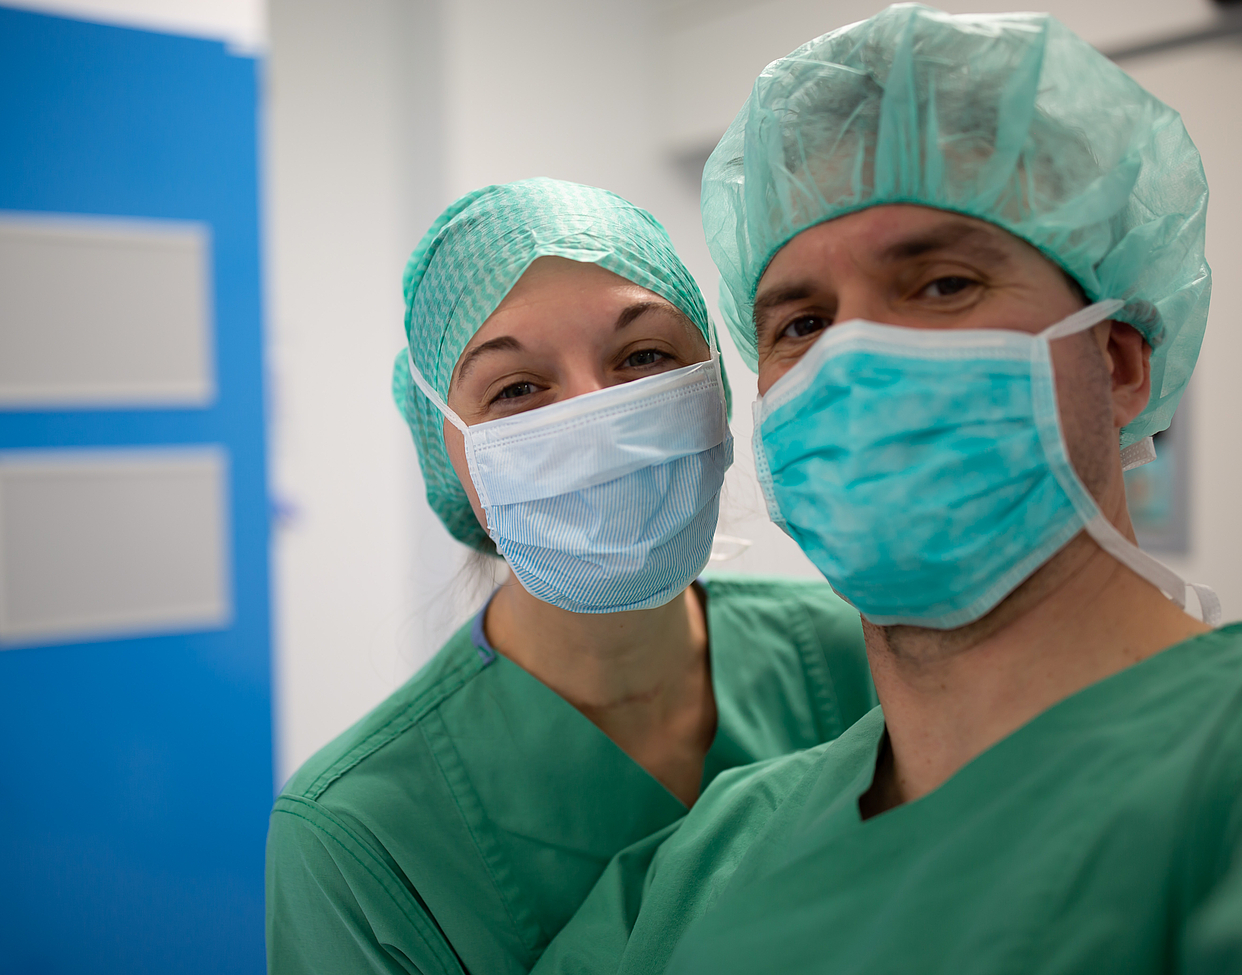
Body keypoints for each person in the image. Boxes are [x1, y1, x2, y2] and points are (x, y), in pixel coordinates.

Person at [531, 7, 1242, 974]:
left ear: (1117, 362)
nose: (853, 355)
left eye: (941, 285)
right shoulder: (709, 865)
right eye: (803, 322)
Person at [264, 178, 877, 975]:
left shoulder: (865, 654)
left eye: (645, 355)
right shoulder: (355, 834)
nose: (597, 417)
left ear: (718, 387)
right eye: (517, 389)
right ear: (448, 456)